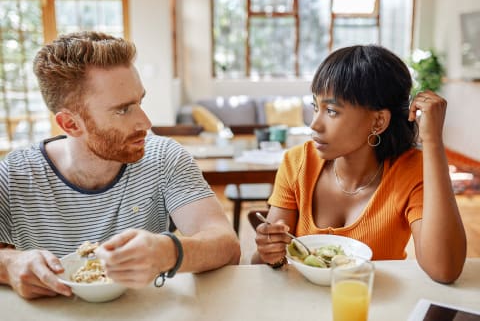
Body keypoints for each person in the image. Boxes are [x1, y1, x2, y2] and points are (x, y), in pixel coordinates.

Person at [0, 31, 240, 299]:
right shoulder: (14, 174)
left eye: (140, 102)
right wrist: (8, 264)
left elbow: (227, 245)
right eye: (123, 110)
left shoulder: (163, 156)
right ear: (70, 124)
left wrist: (169, 252)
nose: (146, 123)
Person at [252, 45, 466, 283]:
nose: (314, 125)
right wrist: (270, 252)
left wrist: (433, 141)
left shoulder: (410, 171)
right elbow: (260, 265)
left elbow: (445, 269)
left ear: (378, 121)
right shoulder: (297, 162)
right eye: (316, 107)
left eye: (331, 111)